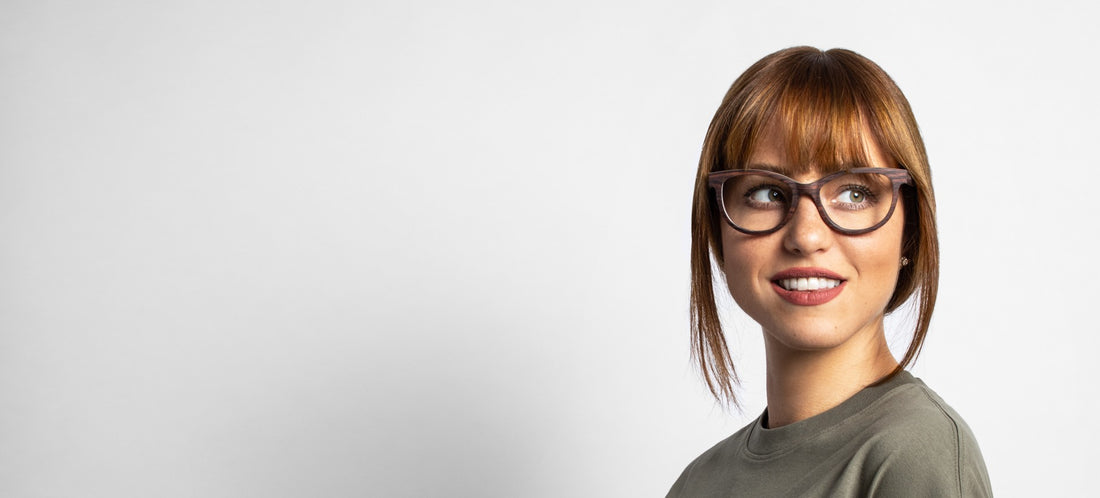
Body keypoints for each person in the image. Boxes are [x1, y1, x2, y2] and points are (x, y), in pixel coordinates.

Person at [667, 47, 992, 497]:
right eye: (765, 192)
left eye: (855, 193)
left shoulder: (913, 453)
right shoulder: (697, 483)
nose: (807, 235)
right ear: (718, 228)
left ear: (910, 231)